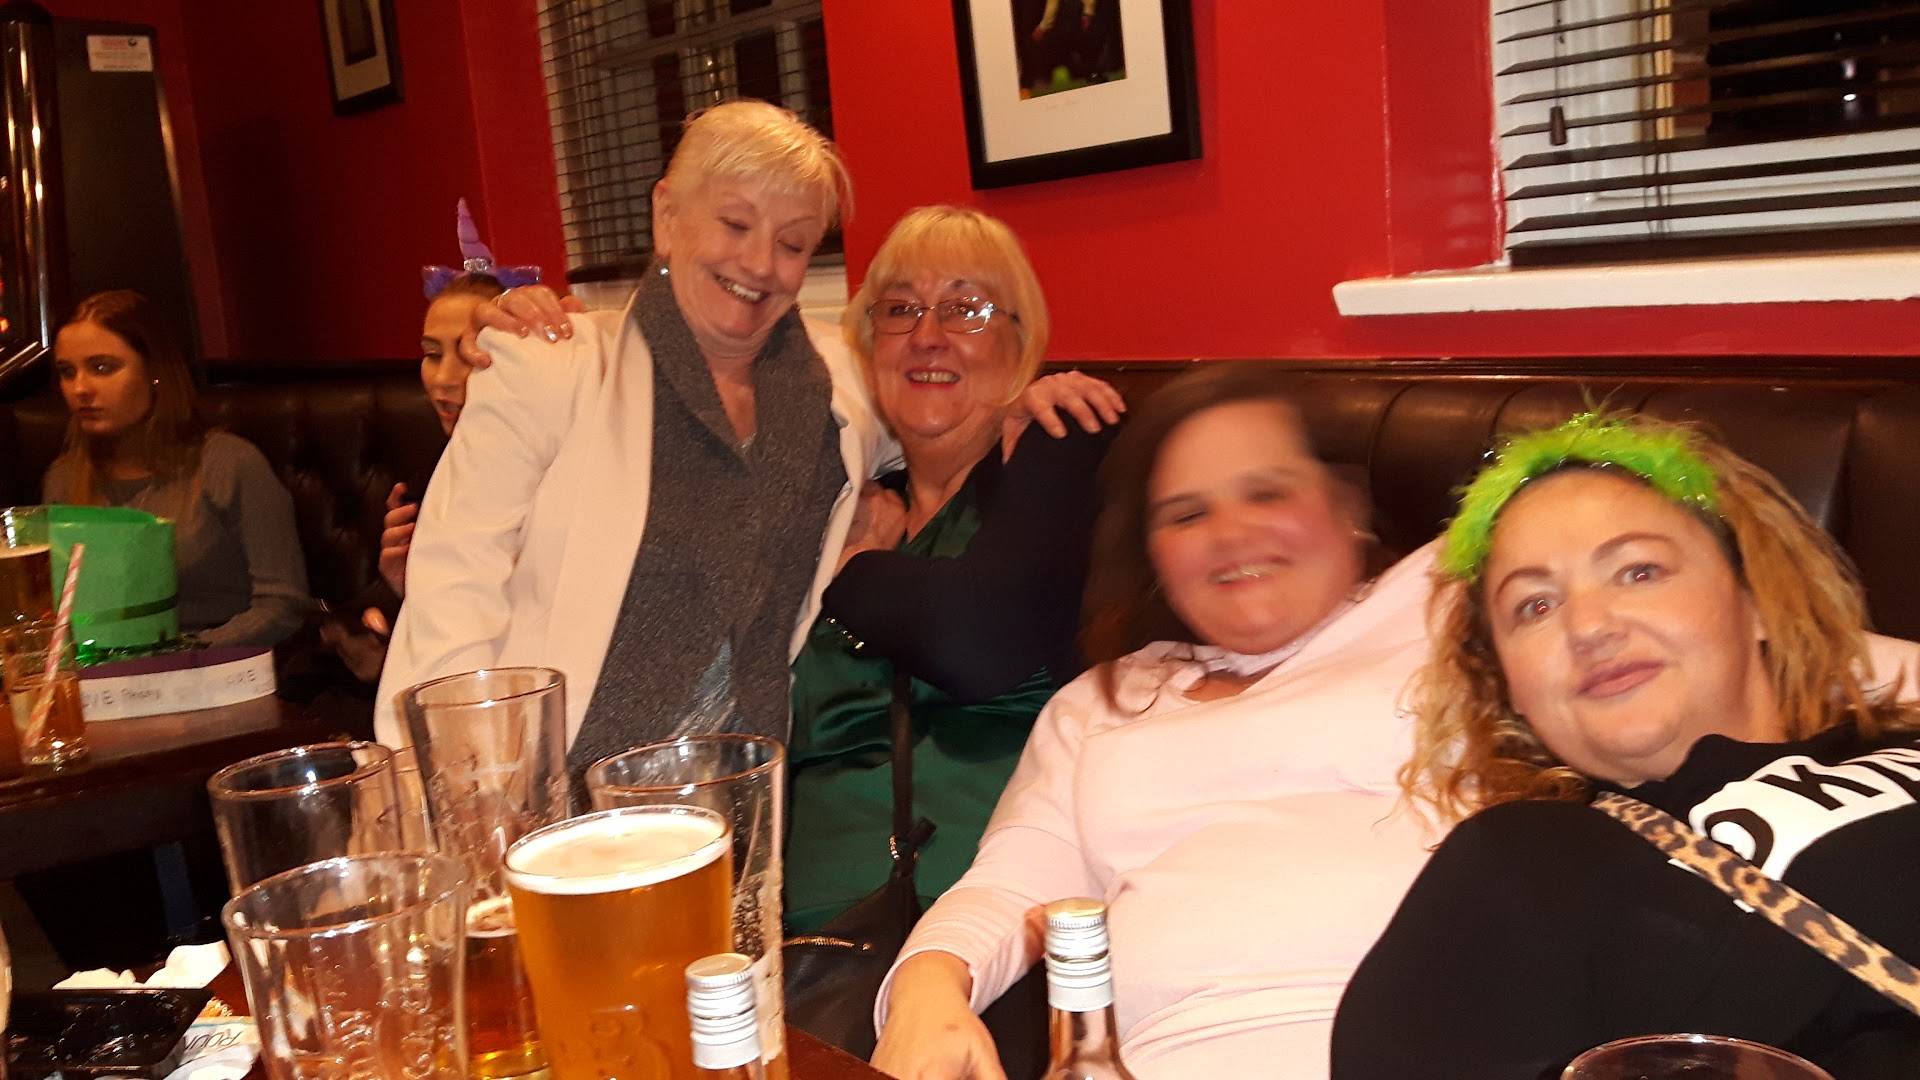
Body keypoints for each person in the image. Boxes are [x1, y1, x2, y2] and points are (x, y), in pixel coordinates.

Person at [371, 103, 1116, 765]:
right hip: (562, 793)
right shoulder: (553, 363)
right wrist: (476, 797)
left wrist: (1029, 396)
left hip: (755, 801)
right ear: (667, 215)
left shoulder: (841, 382)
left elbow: (941, 410)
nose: (760, 264)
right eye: (734, 224)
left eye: (792, 243)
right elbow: (455, 589)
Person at [871, 365, 1442, 1080]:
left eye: (1267, 492)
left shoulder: (1443, 617)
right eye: (1187, 514)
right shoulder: (1101, 705)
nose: (1231, 533)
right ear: (1153, 554)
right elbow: (1009, 887)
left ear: (1346, 504)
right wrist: (925, 993)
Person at [1332, 413, 1920, 1080]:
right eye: (1535, 607)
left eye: (1639, 571)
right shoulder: (1523, 866)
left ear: (1756, 599)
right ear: (1510, 688)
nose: (1588, 627)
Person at [783, 206, 1115, 931]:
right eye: (899, 309)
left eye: (966, 309)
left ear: (1021, 343)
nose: (926, 335)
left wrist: (854, 565)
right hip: (805, 940)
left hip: (991, 926)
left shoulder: (1056, 443)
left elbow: (976, 642)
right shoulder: (842, 499)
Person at [43, 289, 308, 648]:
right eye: (66, 371)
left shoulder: (229, 464)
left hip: (218, 661)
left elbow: (284, 606)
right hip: (103, 668)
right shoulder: (63, 477)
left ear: (155, 371)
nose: (80, 388)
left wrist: (183, 655)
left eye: (102, 367)